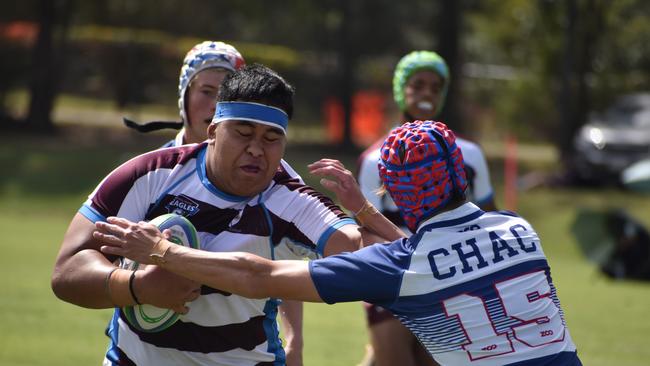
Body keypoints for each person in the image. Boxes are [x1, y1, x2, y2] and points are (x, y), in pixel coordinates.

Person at [95, 120, 582, 366]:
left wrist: (160, 252)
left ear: (398, 192)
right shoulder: (519, 228)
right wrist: (364, 212)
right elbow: (444, 259)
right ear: (462, 170)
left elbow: (256, 275)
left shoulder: (396, 266)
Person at [52, 64, 405, 365]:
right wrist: (136, 287)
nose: (256, 149)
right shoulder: (150, 175)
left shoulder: (289, 200)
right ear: (213, 132)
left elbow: (384, 257)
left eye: (272, 138)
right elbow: (67, 270)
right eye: (243, 133)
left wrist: (362, 209)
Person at [356, 50, 498, 366]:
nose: (427, 94)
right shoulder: (374, 158)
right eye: (418, 84)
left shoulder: (470, 154)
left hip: (452, 282)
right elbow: (367, 232)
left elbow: (489, 224)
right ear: (401, 91)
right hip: (393, 281)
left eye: (436, 87)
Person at [123, 40, 245, 147]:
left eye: (227, 94)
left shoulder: (254, 170)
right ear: (184, 97)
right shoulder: (157, 170)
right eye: (207, 92)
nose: (216, 105)